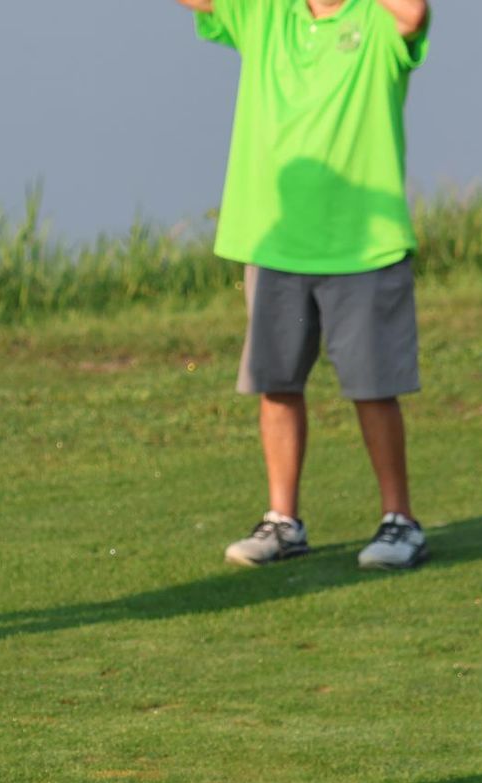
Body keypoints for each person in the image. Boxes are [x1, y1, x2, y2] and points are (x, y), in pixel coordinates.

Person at [177, 0, 433, 570]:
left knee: (373, 386)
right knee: (278, 382)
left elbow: (412, 14)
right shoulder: (266, 13)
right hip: (274, 242)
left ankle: (400, 521)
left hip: (363, 242)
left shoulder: (376, 18)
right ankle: (283, 522)